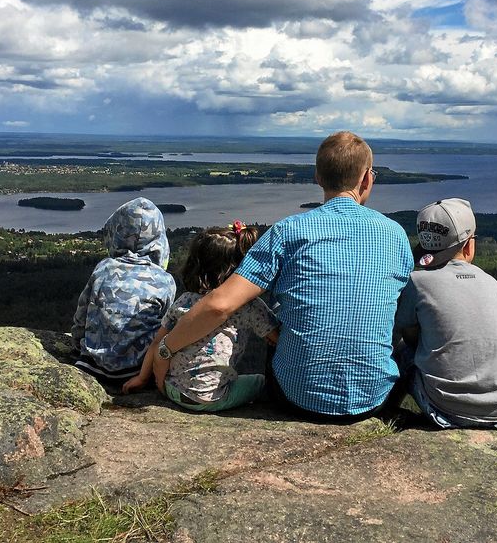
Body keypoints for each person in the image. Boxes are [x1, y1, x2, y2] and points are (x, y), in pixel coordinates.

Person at [152, 131, 414, 422]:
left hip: (295, 398)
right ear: (366, 179)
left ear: (318, 177)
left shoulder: (288, 232)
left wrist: (164, 350)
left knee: (277, 306)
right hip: (373, 400)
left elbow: (219, 305)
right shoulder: (396, 235)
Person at [394, 198, 497, 429]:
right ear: (468, 246)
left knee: (403, 352)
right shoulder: (491, 283)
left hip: (446, 411)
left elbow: (408, 336)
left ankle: (385, 413)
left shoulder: (417, 282)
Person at [122, 222, 279, 411]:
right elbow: (276, 337)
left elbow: (157, 342)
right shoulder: (250, 306)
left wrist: (142, 378)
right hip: (211, 397)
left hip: (172, 390)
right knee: (259, 381)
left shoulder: (185, 300)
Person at [71, 197, 176, 386]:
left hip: (91, 365)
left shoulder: (103, 268)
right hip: (138, 372)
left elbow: (82, 315)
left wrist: (77, 345)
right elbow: (166, 327)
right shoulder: (165, 280)